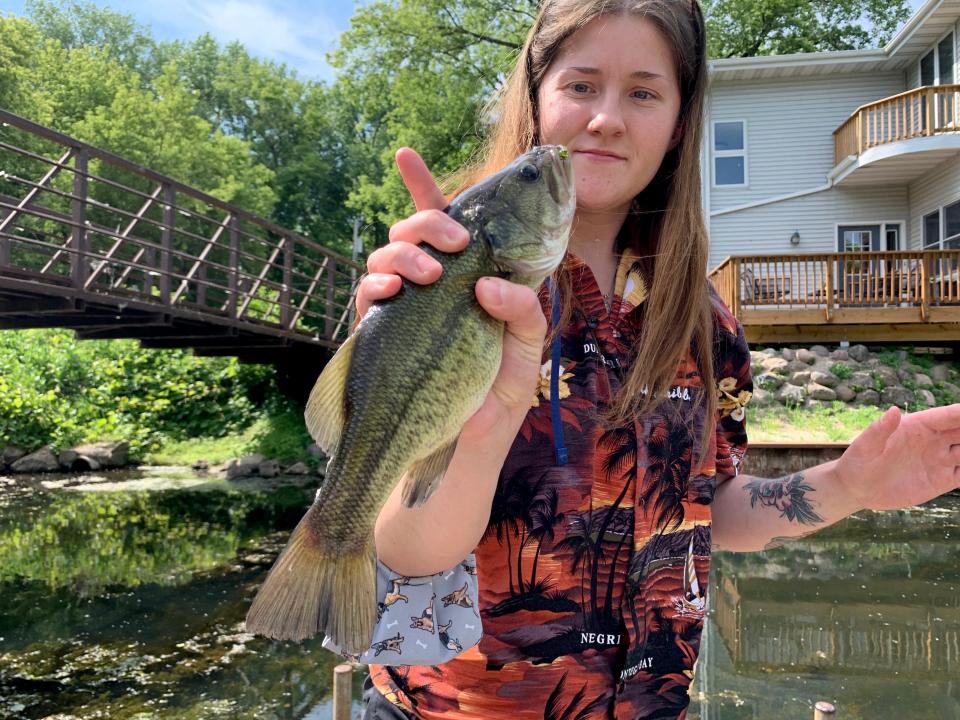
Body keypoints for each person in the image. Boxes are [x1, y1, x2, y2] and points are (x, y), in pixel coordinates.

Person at [340, 1, 960, 718]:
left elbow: (710, 507)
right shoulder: (443, 284)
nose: (607, 118)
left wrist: (848, 483)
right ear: (537, 99)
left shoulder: (702, 320)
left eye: (643, 92)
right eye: (580, 86)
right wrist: (427, 366)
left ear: (678, 123)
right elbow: (407, 553)